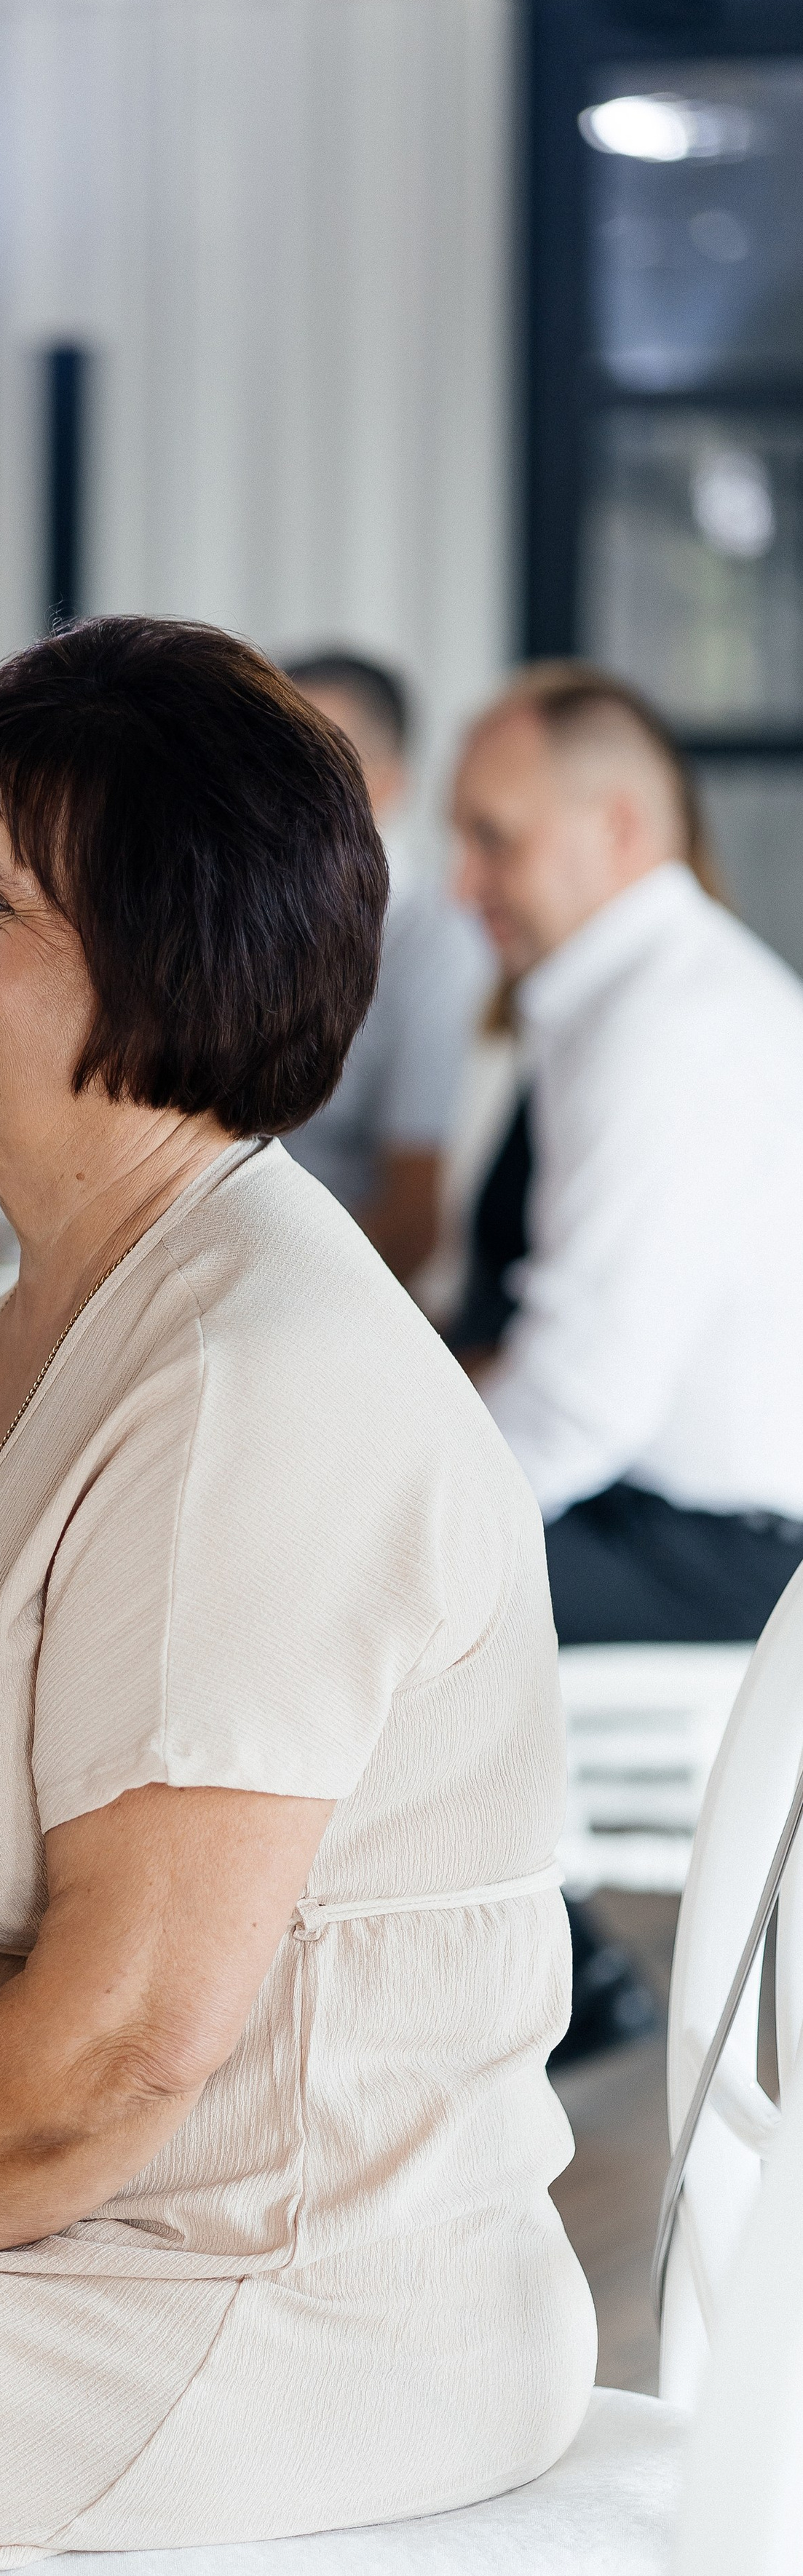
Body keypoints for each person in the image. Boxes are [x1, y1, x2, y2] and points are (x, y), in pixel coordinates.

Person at [0, 619, 593, 2576]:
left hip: (259, 2295)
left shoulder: (248, 1377)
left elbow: (113, 2059)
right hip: (69, 2241)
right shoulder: (52, 1310)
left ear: (174, 955)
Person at [450, 662, 803, 2064]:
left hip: (721, 1548)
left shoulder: (671, 1026)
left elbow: (580, 1405)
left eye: (497, 837)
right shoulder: (635, 997)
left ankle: (546, 1975)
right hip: (673, 1515)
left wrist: (384, 1487)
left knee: (328, 1578)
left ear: (616, 832)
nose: (468, 878)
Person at [279, 651, 487, 1283]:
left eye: (319, 761)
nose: (282, 787)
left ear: (392, 783)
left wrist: (237, 1290)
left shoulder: (432, 944)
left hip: (316, 1299)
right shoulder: (238, 912)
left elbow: (413, 1225)